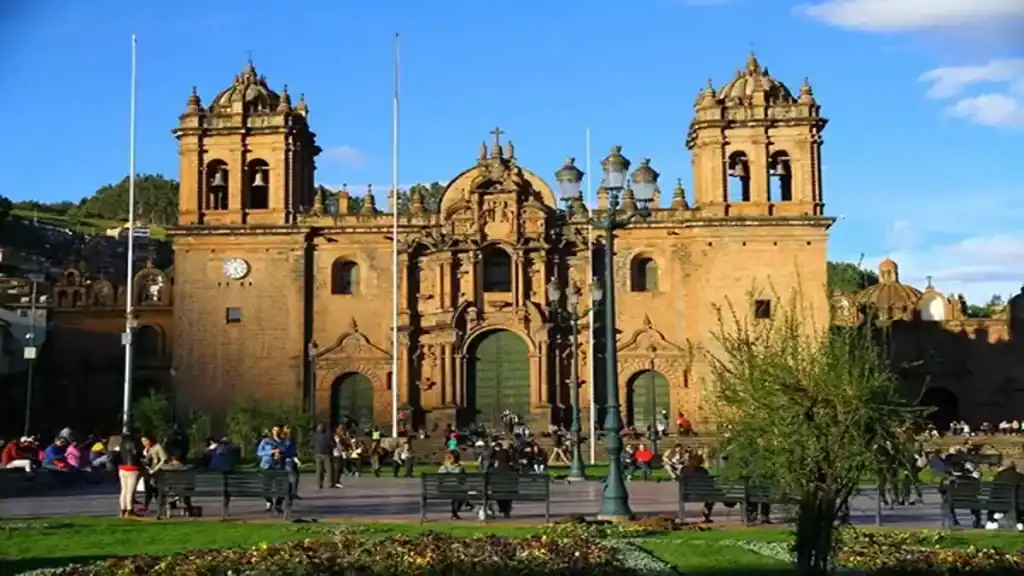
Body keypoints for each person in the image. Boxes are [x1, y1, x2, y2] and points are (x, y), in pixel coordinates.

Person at [256, 427, 286, 513]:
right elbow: (259, 452)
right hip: (267, 465)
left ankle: (278, 505)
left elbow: (289, 452)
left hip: (279, 466)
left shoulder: (284, 442)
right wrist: (271, 452)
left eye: (278, 431)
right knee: (266, 487)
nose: (276, 432)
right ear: (272, 431)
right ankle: (269, 502)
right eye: (275, 430)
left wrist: (281, 454)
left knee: (282, 488)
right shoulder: (266, 441)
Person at [117, 434, 143, 518]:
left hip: (122, 468)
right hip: (132, 468)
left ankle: (122, 510)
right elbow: (136, 453)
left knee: (124, 490)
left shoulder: (121, 444)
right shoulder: (134, 443)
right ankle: (130, 510)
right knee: (130, 491)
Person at [141, 436, 168, 513]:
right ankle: (146, 505)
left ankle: (160, 507)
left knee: (156, 490)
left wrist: (155, 469)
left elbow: (163, 459)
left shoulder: (158, 447)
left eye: (146, 440)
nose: (144, 443)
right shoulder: (147, 449)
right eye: (143, 441)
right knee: (148, 489)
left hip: (156, 472)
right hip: (148, 471)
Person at [438, 451, 466, 520]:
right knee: (463, 494)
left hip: (443, 489)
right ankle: (454, 513)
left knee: (458, 494)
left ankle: (454, 514)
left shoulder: (442, 467)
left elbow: (439, 480)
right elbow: (463, 480)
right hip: (456, 488)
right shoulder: (460, 468)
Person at [311, 423, 334, 490]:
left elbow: (311, 445)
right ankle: (330, 483)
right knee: (328, 469)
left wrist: (314, 449)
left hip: (318, 454)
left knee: (319, 470)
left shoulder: (314, 436)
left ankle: (319, 484)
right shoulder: (327, 436)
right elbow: (332, 444)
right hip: (326, 454)